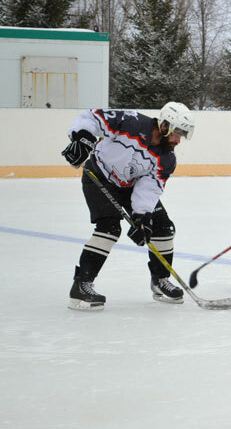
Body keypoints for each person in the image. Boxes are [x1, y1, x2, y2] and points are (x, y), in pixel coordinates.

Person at [62, 102, 195, 311]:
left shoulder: (167, 158)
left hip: (128, 186)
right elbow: (91, 118)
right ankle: (81, 285)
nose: (178, 140)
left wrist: (143, 216)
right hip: (99, 176)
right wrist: (83, 139)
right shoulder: (131, 122)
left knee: (163, 227)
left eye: (183, 135)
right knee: (109, 228)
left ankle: (160, 280)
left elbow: (150, 187)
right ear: (165, 125)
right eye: (176, 133)